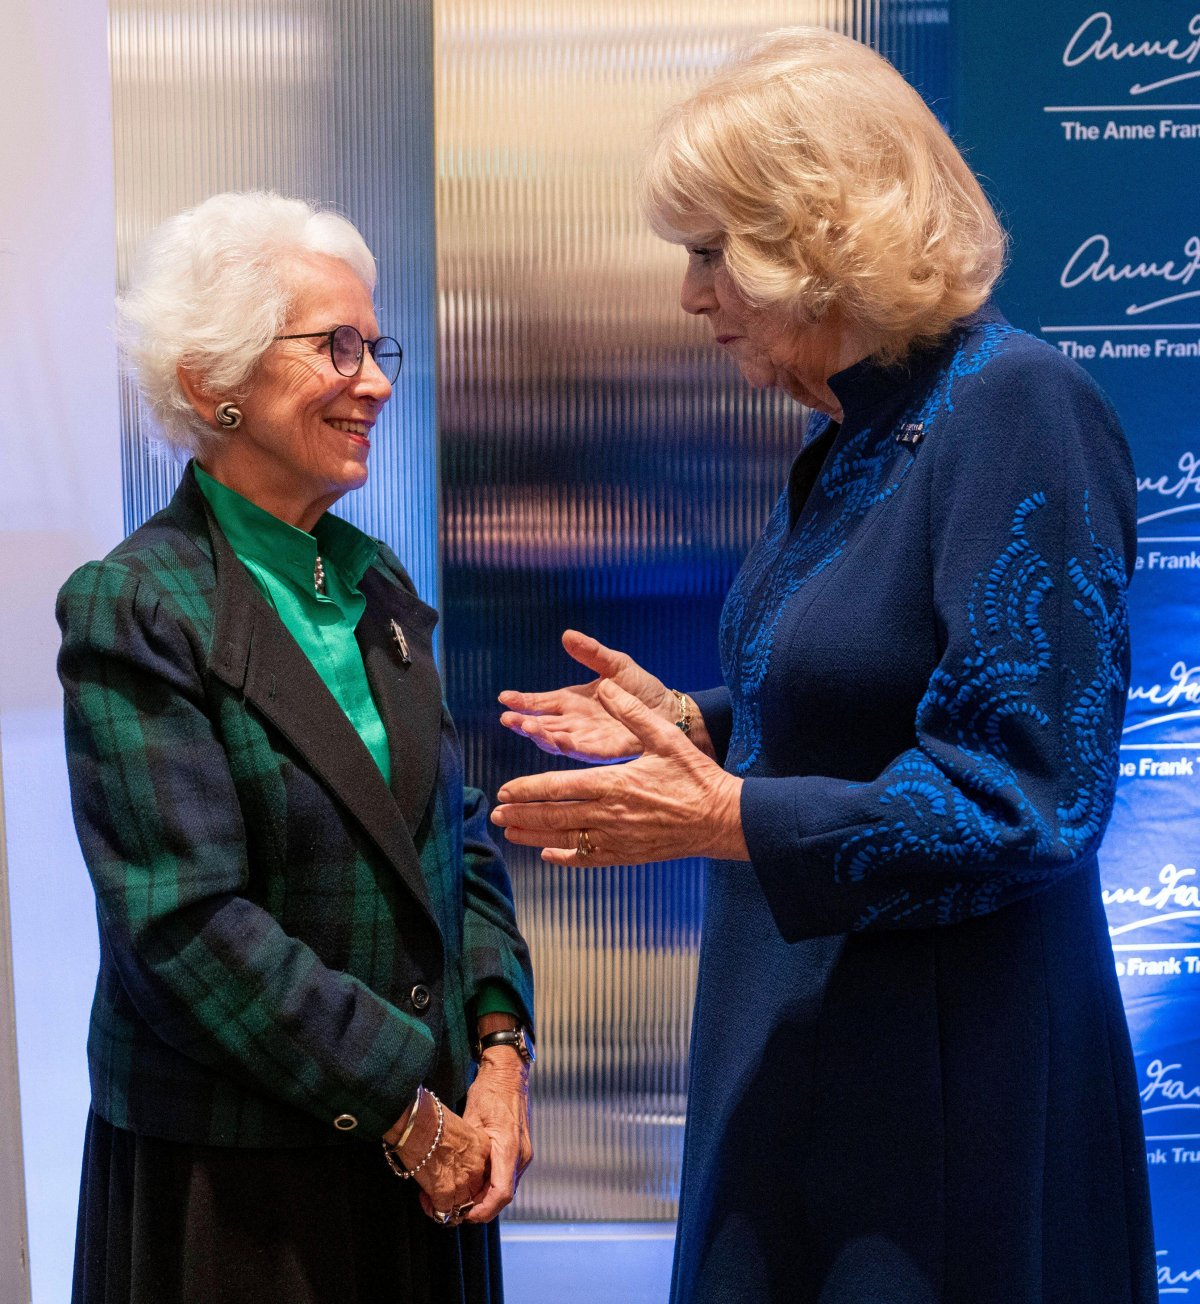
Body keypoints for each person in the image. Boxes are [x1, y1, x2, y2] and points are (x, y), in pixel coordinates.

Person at [491, 28, 1156, 1304]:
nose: (692, 297)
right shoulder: (856, 430)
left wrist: (728, 812)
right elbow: (871, 690)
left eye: (709, 252)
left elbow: (1032, 795)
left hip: (935, 1105)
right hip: (810, 1057)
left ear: (818, 235)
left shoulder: (1017, 406)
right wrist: (695, 720)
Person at [57, 191, 535, 1304]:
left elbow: (454, 843)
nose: (375, 382)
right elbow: (183, 927)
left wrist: (500, 1049)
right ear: (210, 383)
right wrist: (408, 1107)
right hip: (243, 1190)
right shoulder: (135, 604)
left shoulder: (376, 580)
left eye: (376, 348)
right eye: (336, 346)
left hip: (435, 1149)